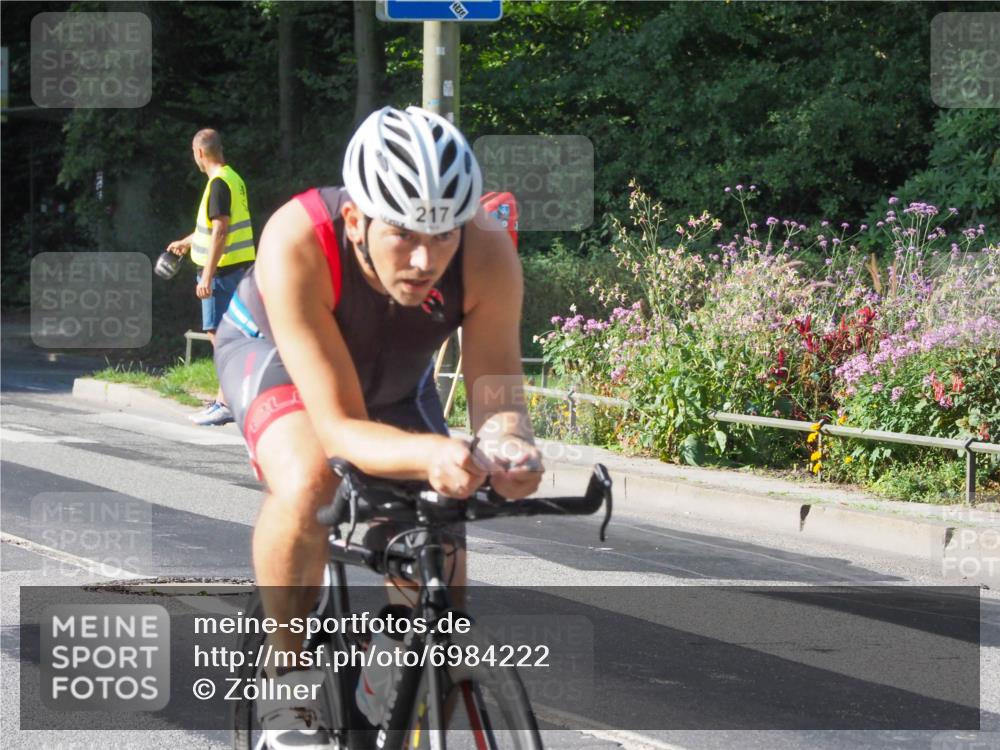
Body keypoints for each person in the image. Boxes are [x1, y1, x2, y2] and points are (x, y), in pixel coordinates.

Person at [213, 106, 543, 749]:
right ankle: (289, 678)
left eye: (443, 234)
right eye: (403, 234)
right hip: (275, 355)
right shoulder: (297, 238)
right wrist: (431, 453)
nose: (425, 258)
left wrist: (511, 449)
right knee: (310, 481)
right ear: (356, 220)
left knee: (439, 546)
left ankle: (391, 687)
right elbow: (336, 428)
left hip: (394, 374)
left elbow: (497, 388)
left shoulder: (487, 252)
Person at [167, 128, 256, 426]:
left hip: (220, 272)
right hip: (238, 269)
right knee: (232, 336)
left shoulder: (217, 184)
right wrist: (187, 241)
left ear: (200, 153)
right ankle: (226, 399)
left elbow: (221, 230)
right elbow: (214, 227)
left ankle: (226, 402)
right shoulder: (234, 179)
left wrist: (206, 276)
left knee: (221, 338)